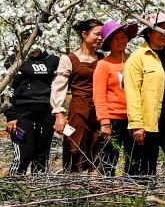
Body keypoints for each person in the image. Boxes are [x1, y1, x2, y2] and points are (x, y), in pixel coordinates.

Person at [123, 12, 165, 179]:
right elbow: (132, 92)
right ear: (149, 33)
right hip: (148, 120)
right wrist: (137, 124)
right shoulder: (137, 58)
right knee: (146, 166)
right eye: (160, 31)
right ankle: (145, 200)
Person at [51, 18, 105, 173]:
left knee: (97, 144)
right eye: (97, 34)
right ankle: (73, 184)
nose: (100, 38)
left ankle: (95, 185)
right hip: (79, 108)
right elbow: (58, 87)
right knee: (75, 143)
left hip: (99, 109)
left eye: (102, 35)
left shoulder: (102, 59)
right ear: (84, 34)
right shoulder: (69, 59)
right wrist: (59, 113)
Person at [3, 31, 60, 174]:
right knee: (24, 151)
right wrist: (11, 116)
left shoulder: (53, 60)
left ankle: (38, 187)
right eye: (27, 40)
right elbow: (6, 90)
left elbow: (58, 85)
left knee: (42, 152)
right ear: (21, 42)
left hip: (47, 112)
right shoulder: (14, 60)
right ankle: (15, 185)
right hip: (22, 113)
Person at [93, 19, 138, 176]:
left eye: (123, 37)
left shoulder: (134, 60)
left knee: (133, 157)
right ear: (109, 42)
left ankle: (131, 190)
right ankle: (106, 190)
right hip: (113, 117)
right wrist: (104, 122)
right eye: (116, 38)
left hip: (134, 117)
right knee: (110, 157)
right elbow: (99, 95)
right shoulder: (104, 64)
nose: (121, 41)